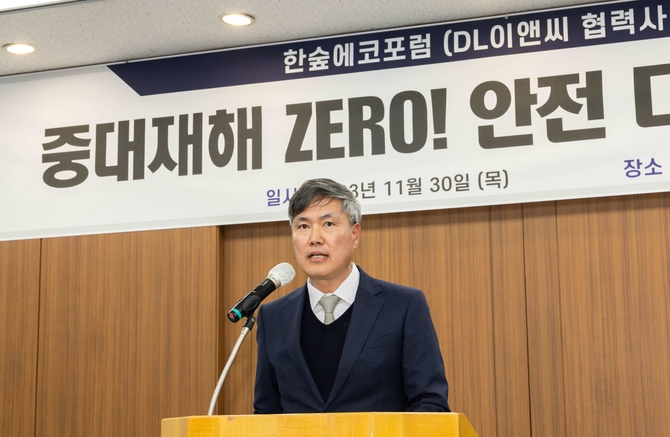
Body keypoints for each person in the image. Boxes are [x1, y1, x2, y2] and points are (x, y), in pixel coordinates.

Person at [253, 178, 450, 413]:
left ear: (355, 235)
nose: (314, 238)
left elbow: (430, 404)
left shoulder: (403, 306)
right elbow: (265, 413)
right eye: (303, 226)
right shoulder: (273, 317)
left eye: (328, 224)